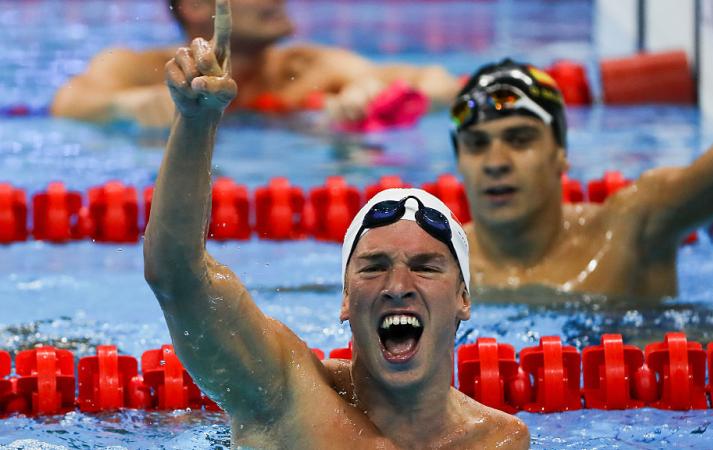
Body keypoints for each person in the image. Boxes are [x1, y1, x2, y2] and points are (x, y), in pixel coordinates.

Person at [143, 2, 529, 448]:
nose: (398, 285)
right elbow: (175, 275)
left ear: (464, 298)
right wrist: (195, 121)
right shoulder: (285, 396)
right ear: (345, 299)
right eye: (373, 267)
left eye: (425, 267)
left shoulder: (499, 441)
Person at [450, 58, 713, 299]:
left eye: (519, 139)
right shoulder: (440, 267)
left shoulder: (631, 231)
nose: (495, 162)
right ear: (459, 161)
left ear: (560, 152)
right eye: (477, 145)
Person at [52, 0, 459, 128]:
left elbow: (440, 82)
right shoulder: (142, 71)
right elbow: (68, 102)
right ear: (195, 5)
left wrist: (377, 97)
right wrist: (127, 106)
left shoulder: (310, 69)